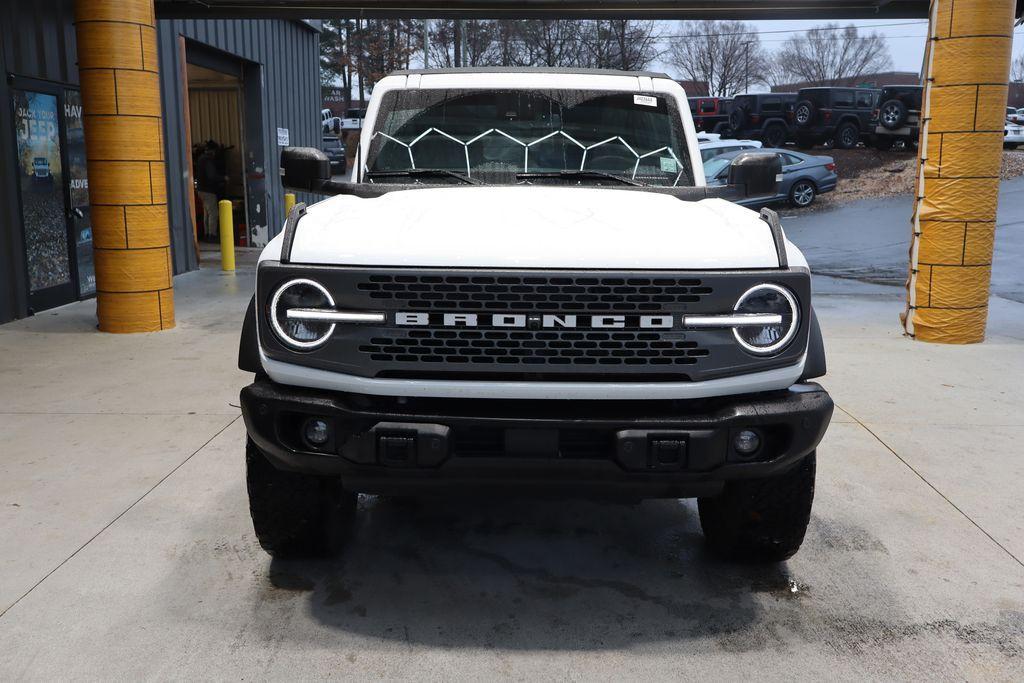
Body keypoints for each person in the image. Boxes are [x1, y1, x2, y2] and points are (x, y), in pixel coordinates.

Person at [195, 141, 226, 240]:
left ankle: (207, 233)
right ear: (213, 150)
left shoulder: (201, 159)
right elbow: (211, 176)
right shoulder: (208, 160)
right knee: (213, 213)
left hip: (201, 190)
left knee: (207, 213)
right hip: (208, 191)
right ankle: (212, 235)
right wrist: (223, 178)